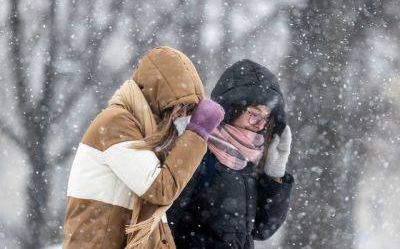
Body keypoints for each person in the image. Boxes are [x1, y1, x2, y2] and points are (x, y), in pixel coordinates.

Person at [62, 46, 224, 249]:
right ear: (158, 95)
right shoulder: (117, 124)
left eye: (188, 109)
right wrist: (197, 133)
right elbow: (160, 188)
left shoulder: (148, 135)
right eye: (179, 105)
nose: (180, 114)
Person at [167, 59, 294, 248]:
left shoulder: (248, 161)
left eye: (266, 118)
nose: (260, 125)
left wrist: (275, 174)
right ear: (232, 108)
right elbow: (167, 221)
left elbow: (262, 229)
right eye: (254, 114)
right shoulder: (199, 151)